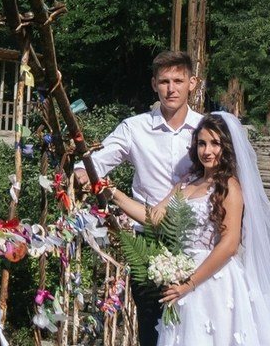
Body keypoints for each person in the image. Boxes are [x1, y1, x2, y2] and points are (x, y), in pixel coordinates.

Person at [109, 112, 270, 346]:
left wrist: (190, 283)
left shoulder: (229, 187)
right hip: (180, 277)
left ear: (226, 147)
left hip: (213, 281)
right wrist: (113, 192)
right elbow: (154, 218)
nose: (207, 150)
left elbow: (229, 244)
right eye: (202, 143)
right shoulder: (186, 182)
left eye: (215, 143)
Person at [82, 50, 203, 346]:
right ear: (153, 84)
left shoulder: (206, 129)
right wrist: (80, 173)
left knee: (197, 328)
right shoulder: (134, 129)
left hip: (196, 242)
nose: (171, 88)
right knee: (152, 330)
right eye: (164, 81)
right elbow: (95, 164)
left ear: (192, 83)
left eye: (178, 80)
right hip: (147, 243)